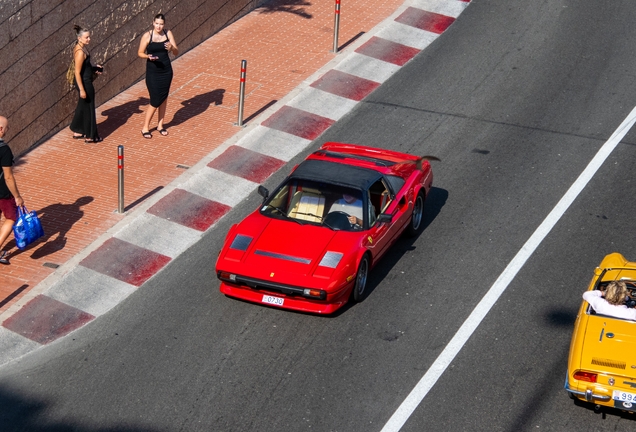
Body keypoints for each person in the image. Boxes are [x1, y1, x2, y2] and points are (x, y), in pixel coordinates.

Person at [138, 14, 178, 139]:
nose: (159, 26)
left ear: (164, 24)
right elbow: (140, 52)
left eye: (161, 24)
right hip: (153, 72)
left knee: (164, 97)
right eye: (157, 23)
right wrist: (148, 56)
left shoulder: (168, 33)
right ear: (153, 23)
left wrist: (171, 47)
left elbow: (176, 52)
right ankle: (145, 127)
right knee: (155, 99)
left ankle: (160, 125)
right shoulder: (147, 36)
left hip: (166, 71)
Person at [69, 25, 103, 143]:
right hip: (84, 83)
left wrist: (94, 68)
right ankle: (90, 136)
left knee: (83, 106)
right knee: (89, 107)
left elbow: (85, 67)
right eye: (86, 37)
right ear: (79, 38)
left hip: (85, 80)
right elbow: (77, 73)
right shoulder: (80, 52)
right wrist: (82, 90)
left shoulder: (82, 47)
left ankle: (77, 130)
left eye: (89, 37)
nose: (89, 39)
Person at [0, 116, 25, 265]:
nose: (7, 131)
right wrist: (17, 196)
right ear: (1, 129)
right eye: (7, 128)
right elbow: (8, 177)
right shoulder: (4, 150)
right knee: (11, 218)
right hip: (3, 192)